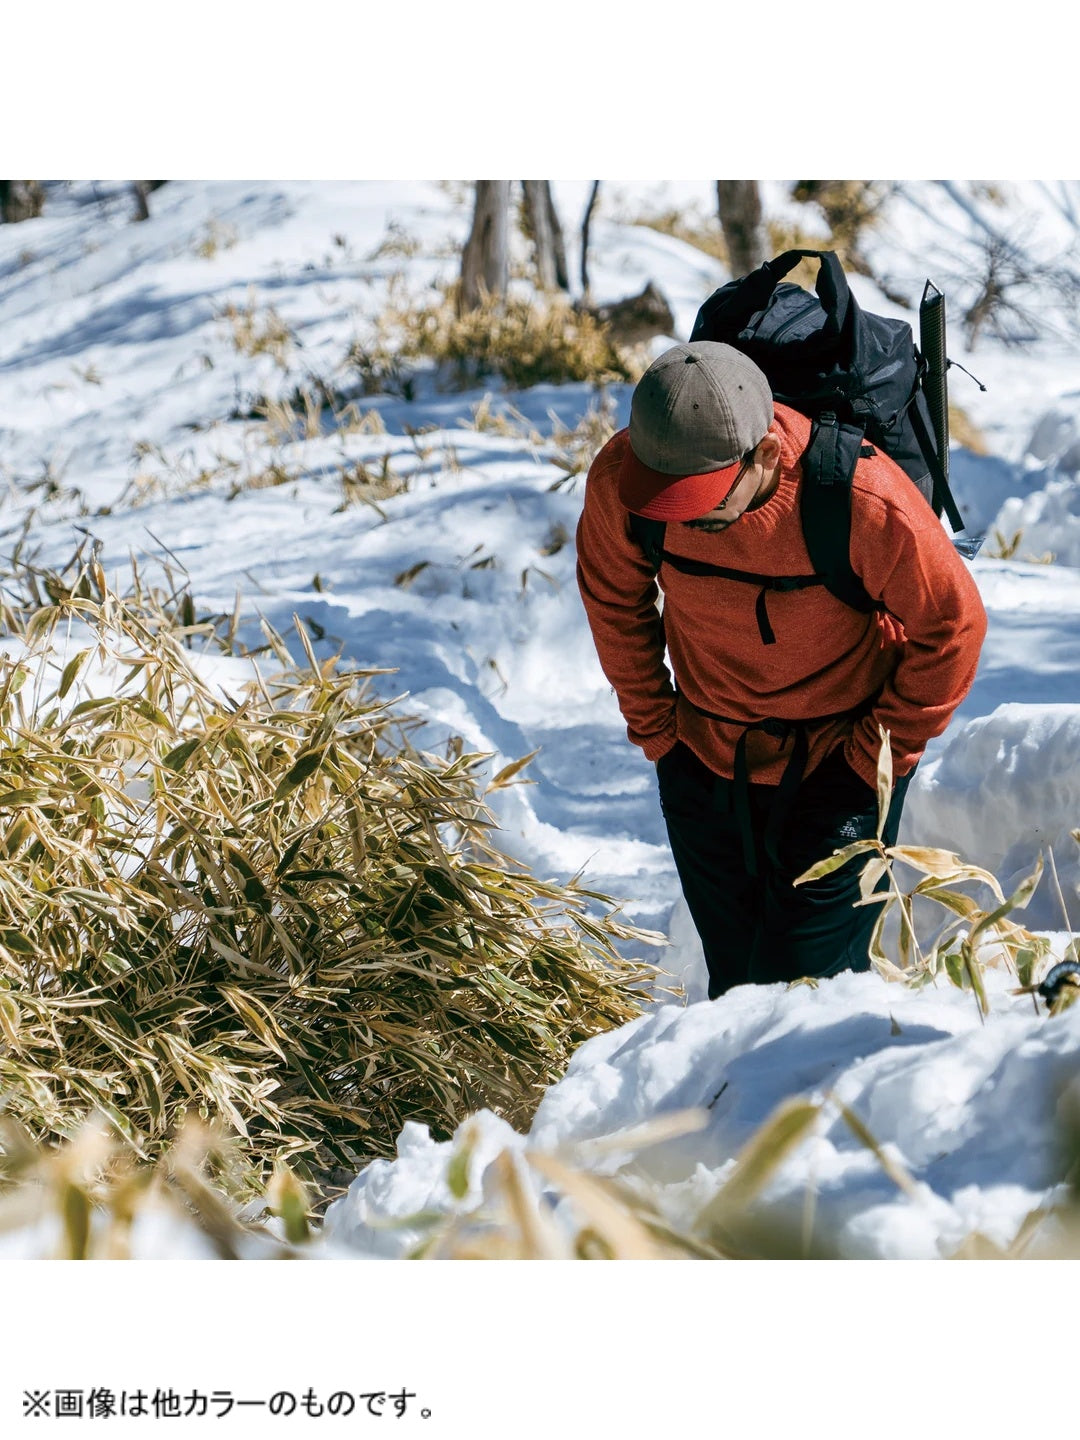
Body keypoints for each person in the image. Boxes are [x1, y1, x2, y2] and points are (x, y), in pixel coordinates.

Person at [576, 341, 987, 999]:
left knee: (807, 991)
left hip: (841, 763)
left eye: (699, 499)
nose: (676, 516)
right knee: (737, 988)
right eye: (664, 497)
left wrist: (875, 754)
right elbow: (613, 601)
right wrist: (659, 733)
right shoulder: (626, 479)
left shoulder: (861, 498)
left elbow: (954, 627)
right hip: (704, 758)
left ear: (764, 454)